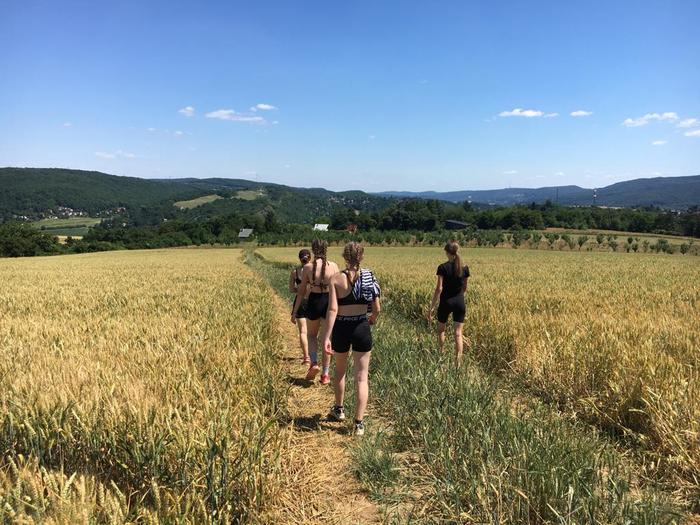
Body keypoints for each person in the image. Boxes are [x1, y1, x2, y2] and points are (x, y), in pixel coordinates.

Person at [323, 242, 381, 436]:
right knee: (362, 377)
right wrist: (372, 319)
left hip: (341, 327)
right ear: (361, 256)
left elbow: (332, 310)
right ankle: (359, 423)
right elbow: (377, 307)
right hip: (361, 327)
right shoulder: (369, 277)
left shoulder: (336, 279)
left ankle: (339, 409)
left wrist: (327, 336)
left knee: (340, 371)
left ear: (344, 257)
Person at [292, 239, 339, 384]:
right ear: (326, 249)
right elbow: (339, 290)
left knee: (311, 335)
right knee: (327, 339)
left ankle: (313, 362)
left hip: (313, 301)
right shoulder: (334, 266)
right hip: (328, 302)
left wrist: (295, 311)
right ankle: (325, 374)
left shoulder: (307, 267)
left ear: (313, 250)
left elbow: (301, 292)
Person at [427, 241, 470, 365]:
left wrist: (431, 307)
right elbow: (465, 288)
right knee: (458, 334)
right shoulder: (465, 268)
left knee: (441, 330)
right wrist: (459, 297)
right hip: (460, 302)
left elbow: (439, 289)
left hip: (446, 302)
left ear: (447, 252)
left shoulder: (442, 267)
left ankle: (441, 355)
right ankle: (458, 363)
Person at [289, 248, 311, 365]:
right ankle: (315, 357)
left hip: (300, 302)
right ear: (310, 258)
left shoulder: (295, 272)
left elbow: (291, 289)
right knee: (313, 333)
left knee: (303, 331)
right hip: (313, 301)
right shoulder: (314, 270)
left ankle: (306, 357)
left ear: (299, 258)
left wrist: (299, 289)